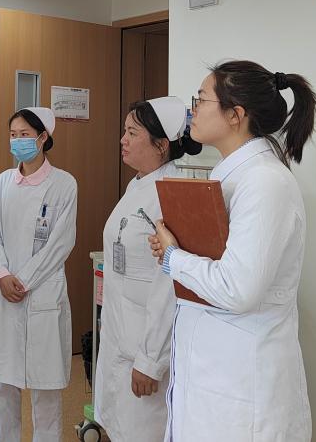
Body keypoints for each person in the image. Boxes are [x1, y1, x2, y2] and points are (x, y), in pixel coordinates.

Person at [150, 60, 316, 441]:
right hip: (216, 376)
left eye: (201, 99)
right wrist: (173, 247)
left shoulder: (265, 182)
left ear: (235, 115)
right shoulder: (231, 176)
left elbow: (238, 288)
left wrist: (175, 257)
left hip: (245, 390)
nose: (193, 110)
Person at [94, 97, 200, 441]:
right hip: (121, 333)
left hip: (145, 344)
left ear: (161, 144)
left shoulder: (171, 194)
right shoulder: (138, 185)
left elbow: (168, 285)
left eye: (132, 133)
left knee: (142, 431)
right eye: (124, 131)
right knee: (120, 427)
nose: (122, 140)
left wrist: (151, 360)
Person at [0, 107, 78, 442]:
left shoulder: (64, 184)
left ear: (42, 138)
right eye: (13, 134)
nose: (17, 141)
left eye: (24, 134)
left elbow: (61, 242)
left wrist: (23, 281)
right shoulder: (3, 183)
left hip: (41, 294)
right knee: (3, 387)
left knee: (45, 389)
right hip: (3, 294)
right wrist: (1, 275)